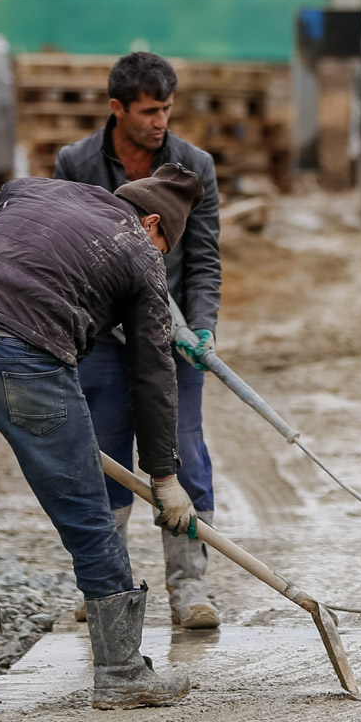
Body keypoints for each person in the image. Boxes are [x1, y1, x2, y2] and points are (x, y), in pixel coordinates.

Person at [0, 165, 203, 713]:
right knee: (88, 517)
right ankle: (119, 674)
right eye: (165, 243)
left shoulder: (32, 189)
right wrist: (164, 476)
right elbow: (152, 373)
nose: (160, 256)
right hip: (33, 358)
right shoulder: (140, 253)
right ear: (151, 221)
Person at [52, 52, 224, 628]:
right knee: (101, 458)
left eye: (167, 110)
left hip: (174, 340)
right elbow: (66, 254)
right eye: (149, 111)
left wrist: (201, 326)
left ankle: (189, 589)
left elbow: (202, 258)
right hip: (101, 339)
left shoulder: (192, 165)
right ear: (117, 109)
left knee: (184, 454)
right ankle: (106, 587)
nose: (160, 121)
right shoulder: (76, 163)